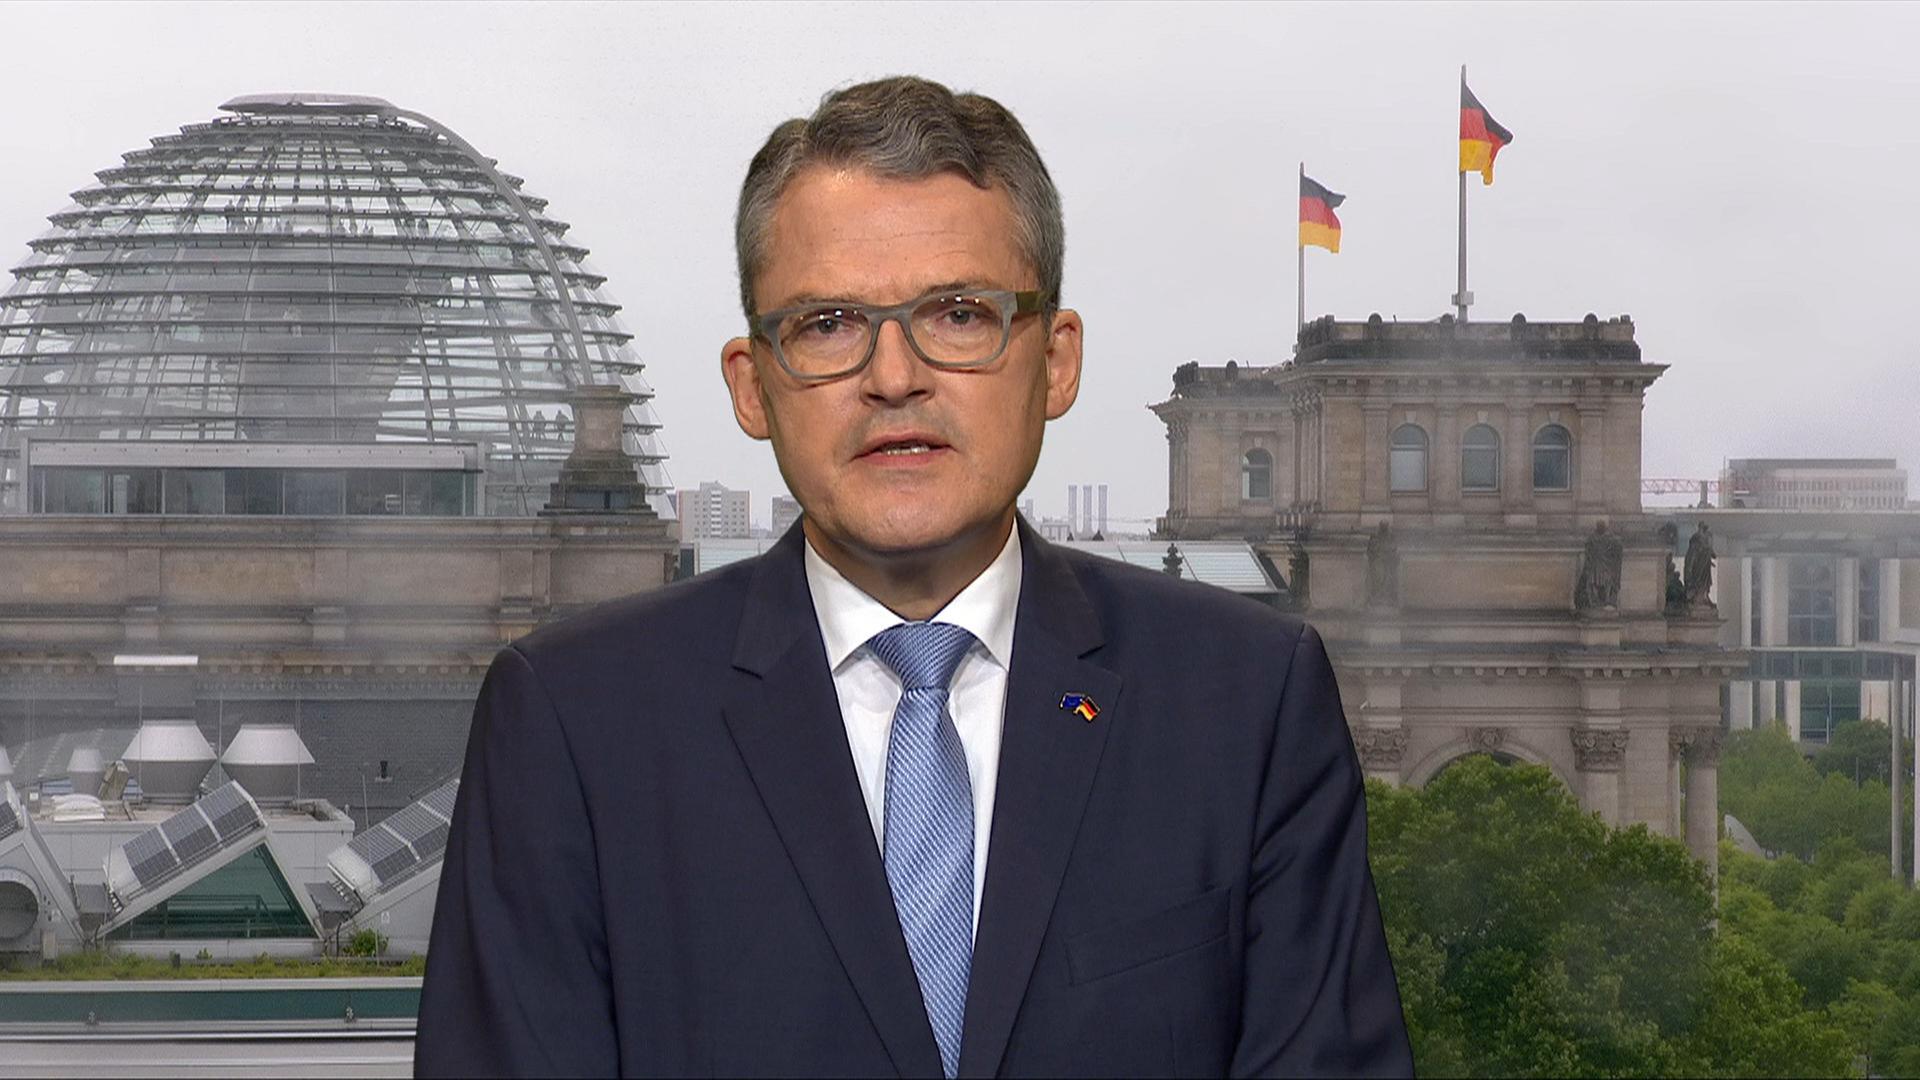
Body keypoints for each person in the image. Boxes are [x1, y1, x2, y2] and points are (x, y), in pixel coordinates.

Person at [416, 75, 1411, 1078]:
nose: (894, 377)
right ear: (753, 386)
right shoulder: (576, 721)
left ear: (1056, 362)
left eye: (960, 314)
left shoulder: (1247, 700)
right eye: (828, 324)